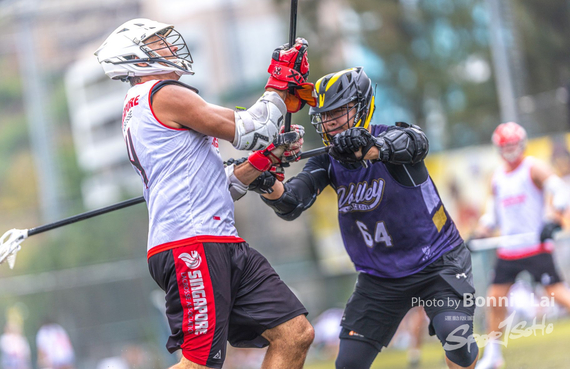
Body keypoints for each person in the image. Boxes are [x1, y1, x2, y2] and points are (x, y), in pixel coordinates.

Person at [94, 18, 315, 369]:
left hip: (217, 239)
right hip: (192, 244)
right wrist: (278, 84)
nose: (171, 47)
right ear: (137, 59)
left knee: (294, 334)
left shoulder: (151, 103)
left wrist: (265, 158)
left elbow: (220, 186)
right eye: (158, 43)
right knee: (199, 364)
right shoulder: (161, 93)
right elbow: (252, 129)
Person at [250, 67, 479, 369]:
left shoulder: (393, 137)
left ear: (361, 107)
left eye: (338, 111)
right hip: (380, 277)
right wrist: (265, 181)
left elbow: (415, 142)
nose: (331, 121)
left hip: (437, 263)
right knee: (349, 364)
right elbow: (291, 202)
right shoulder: (327, 161)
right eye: (325, 115)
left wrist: (371, 149)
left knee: (456, 339)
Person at [471, 122, 570, 369]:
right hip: (509, 250)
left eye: (513, 145)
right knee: (495, 300)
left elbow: (561, 192)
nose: (509, 151)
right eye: (505, 146)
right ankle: (493, 355)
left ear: (522, 144)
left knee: (558, 295)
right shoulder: (497, 178)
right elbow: (492, 215)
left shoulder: (533, 167)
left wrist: (553, 219)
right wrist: (479, 233)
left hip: (535, 246)